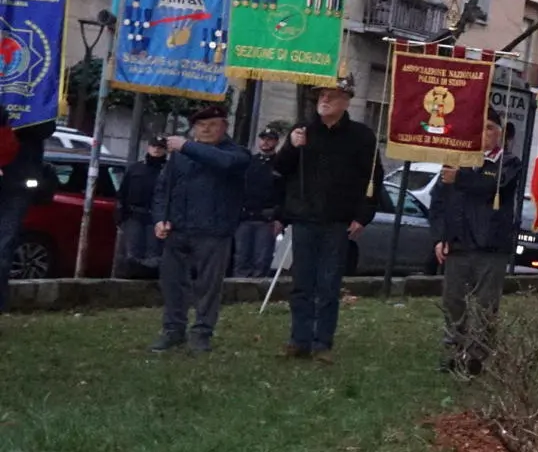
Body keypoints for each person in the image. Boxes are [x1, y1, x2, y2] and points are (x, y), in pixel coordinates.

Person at [272, 80, 380, 362]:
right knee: (301, 283)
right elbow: (281, 170)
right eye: (322, 95)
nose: (325, 100)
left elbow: (372, 179)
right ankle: (299, 339)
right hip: (306, 218)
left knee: (329, 284)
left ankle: (323, 343)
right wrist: (292, 148)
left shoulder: (361, 136)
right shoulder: (303, 131)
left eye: (332, 96)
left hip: (338, 221)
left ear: (346, 101)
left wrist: (362, 216)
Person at [150, 106, 250, 353]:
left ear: (224, 126)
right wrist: (160, 219)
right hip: (178, 228)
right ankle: (173, 330)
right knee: (173, 284)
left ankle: (201, 333)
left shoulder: (236, 154)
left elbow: (223, 163)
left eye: (212, 124)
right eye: (200, 125)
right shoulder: (180, 156)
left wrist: (186, 146)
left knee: (208, 287)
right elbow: (164, 189)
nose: (205, 129)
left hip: (213, 231)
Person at [431, 117, 524, 376]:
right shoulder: (458, 160)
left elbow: (493, 186)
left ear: (500, 134)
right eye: (480, 126)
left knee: (485, 304)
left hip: (490, 246)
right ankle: (455, 351)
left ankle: (477, 356)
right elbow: (438, 201)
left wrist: (459, 178)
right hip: (458, 244)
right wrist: (440, 237)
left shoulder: (508, 162)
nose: (484, 133)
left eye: (490, 128)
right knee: (453, 301)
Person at [0, 104, 53, 311]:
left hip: (16, 185)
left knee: (3, 249)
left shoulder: (38, 97)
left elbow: (45, 128)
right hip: (16, 182)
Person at [232, 125, 284, 278]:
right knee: (241, 257)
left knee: (261, 259)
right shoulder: (250, 162)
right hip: (245, 217)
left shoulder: (280, 164)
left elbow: (284, 194)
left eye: (270, 140)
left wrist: (280, 218)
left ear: (276, 142)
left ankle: (256, 292)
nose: (266, 143)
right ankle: (238, 291)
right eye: (263, 139)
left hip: (267, 218)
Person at [113, 137, 168, 279]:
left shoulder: (169, 171)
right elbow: (122, 192)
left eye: (160, 147)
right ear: (148, 147)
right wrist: (120, 214)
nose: (156, 149)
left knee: (153, 255)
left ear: (165, 150)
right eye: (154, 146)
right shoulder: (135, 168)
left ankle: (148, 286)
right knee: (132, 254)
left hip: (156, 218)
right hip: (134, 216)